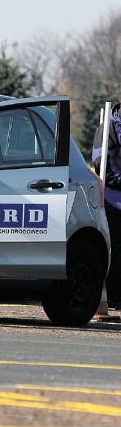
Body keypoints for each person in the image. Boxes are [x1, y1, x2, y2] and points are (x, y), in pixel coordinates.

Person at [92, 102, 121, 310]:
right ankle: (113, 296)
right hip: (114, 200)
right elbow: (103, 165)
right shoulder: (108, 128)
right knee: (116, 251)